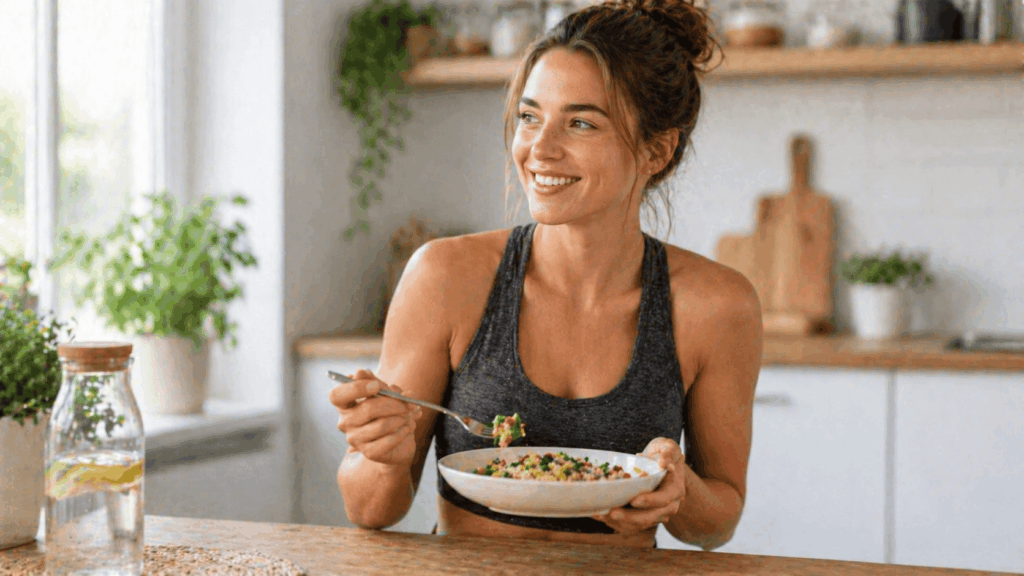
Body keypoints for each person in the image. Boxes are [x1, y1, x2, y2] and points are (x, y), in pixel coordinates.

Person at [329, 0, 762, 550]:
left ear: (657, 150)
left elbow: (718, 522)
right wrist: (381, 455)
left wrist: (679, 491)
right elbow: (369, 509)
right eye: (531, 116)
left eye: (580, 123)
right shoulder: (444, 276)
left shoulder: (718, 305)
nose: (540, 149)